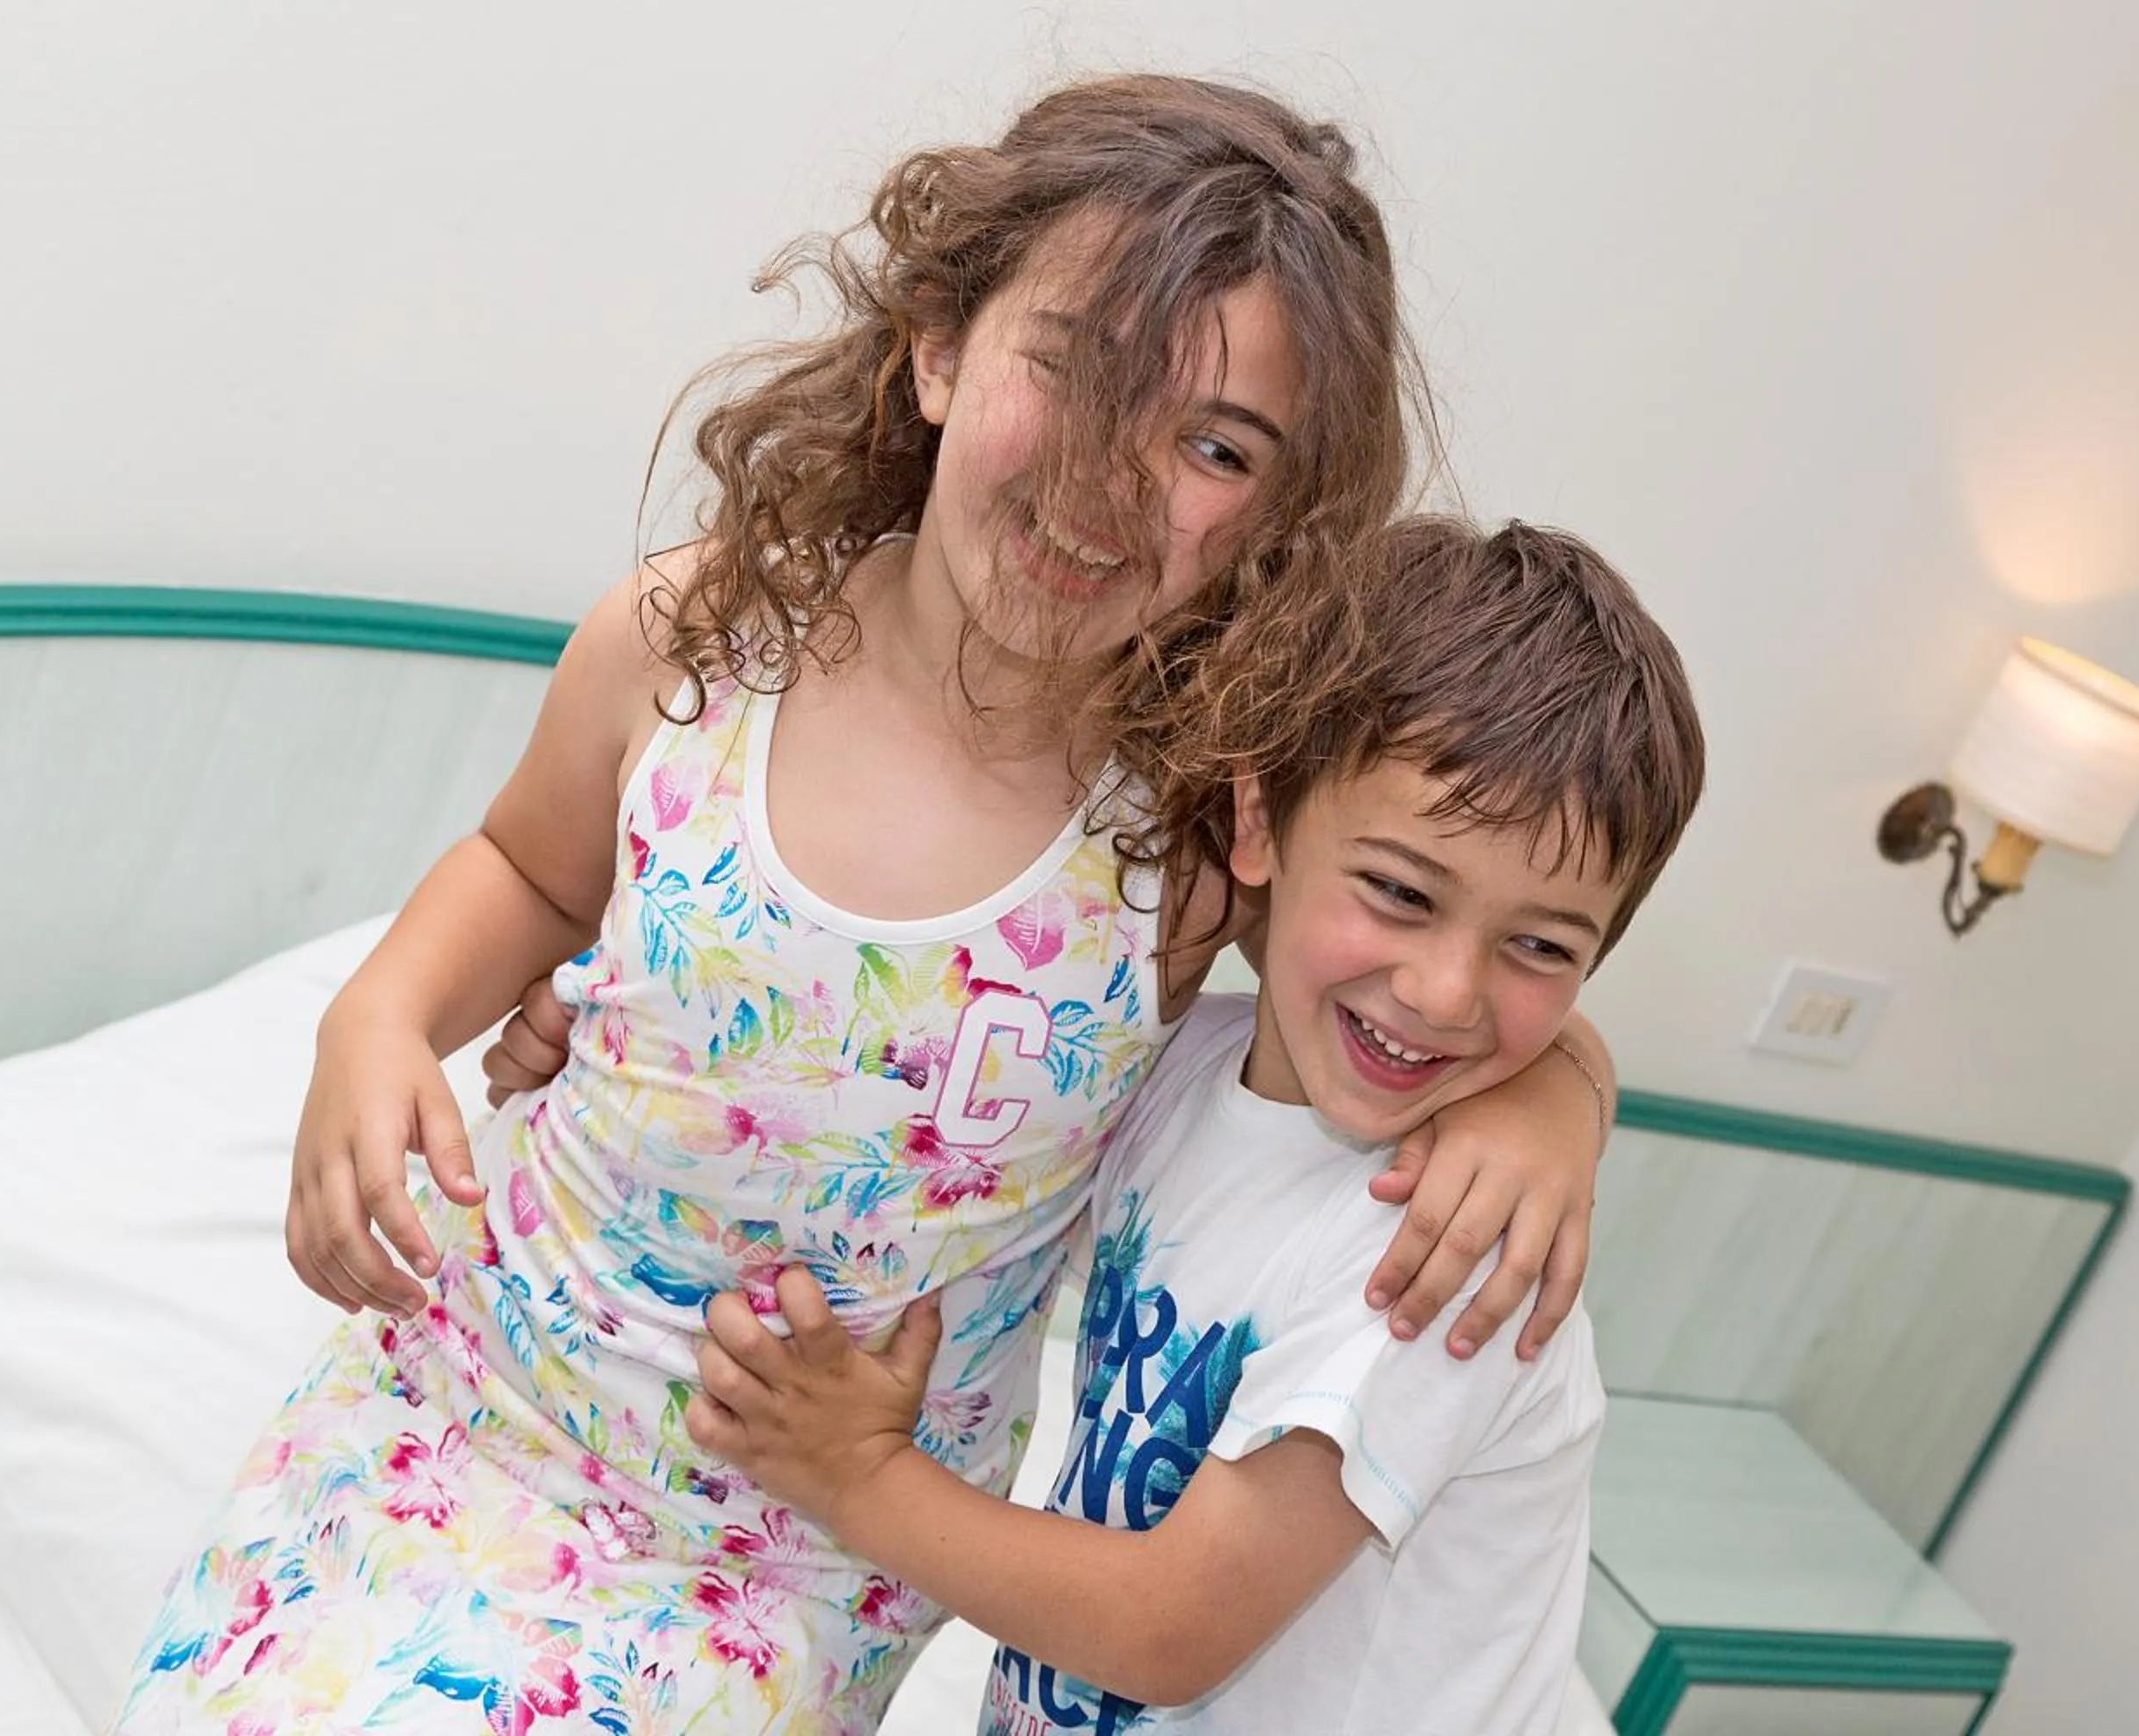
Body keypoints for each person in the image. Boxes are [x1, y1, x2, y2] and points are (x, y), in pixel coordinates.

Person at [115, 79, 1616, 1736]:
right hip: (469, 1406)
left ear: (1276, 514)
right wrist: (379, 1017)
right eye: (1075, 369)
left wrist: (1559, 1098)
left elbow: (1408, 966)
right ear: (939, 345)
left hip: (790, 1559)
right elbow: (534, 872)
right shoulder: (696, 645)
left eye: (1211, 445)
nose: (1119, 485)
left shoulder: (1199, 810)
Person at [689, 517, 1704, 1736]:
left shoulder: (1451, 1249)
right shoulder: (1177, 1068)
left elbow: (1168, 1632)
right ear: (1259, 822)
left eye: (1539, 947)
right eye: (1399, 891)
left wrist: (858, 1474)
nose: (1446, 991)